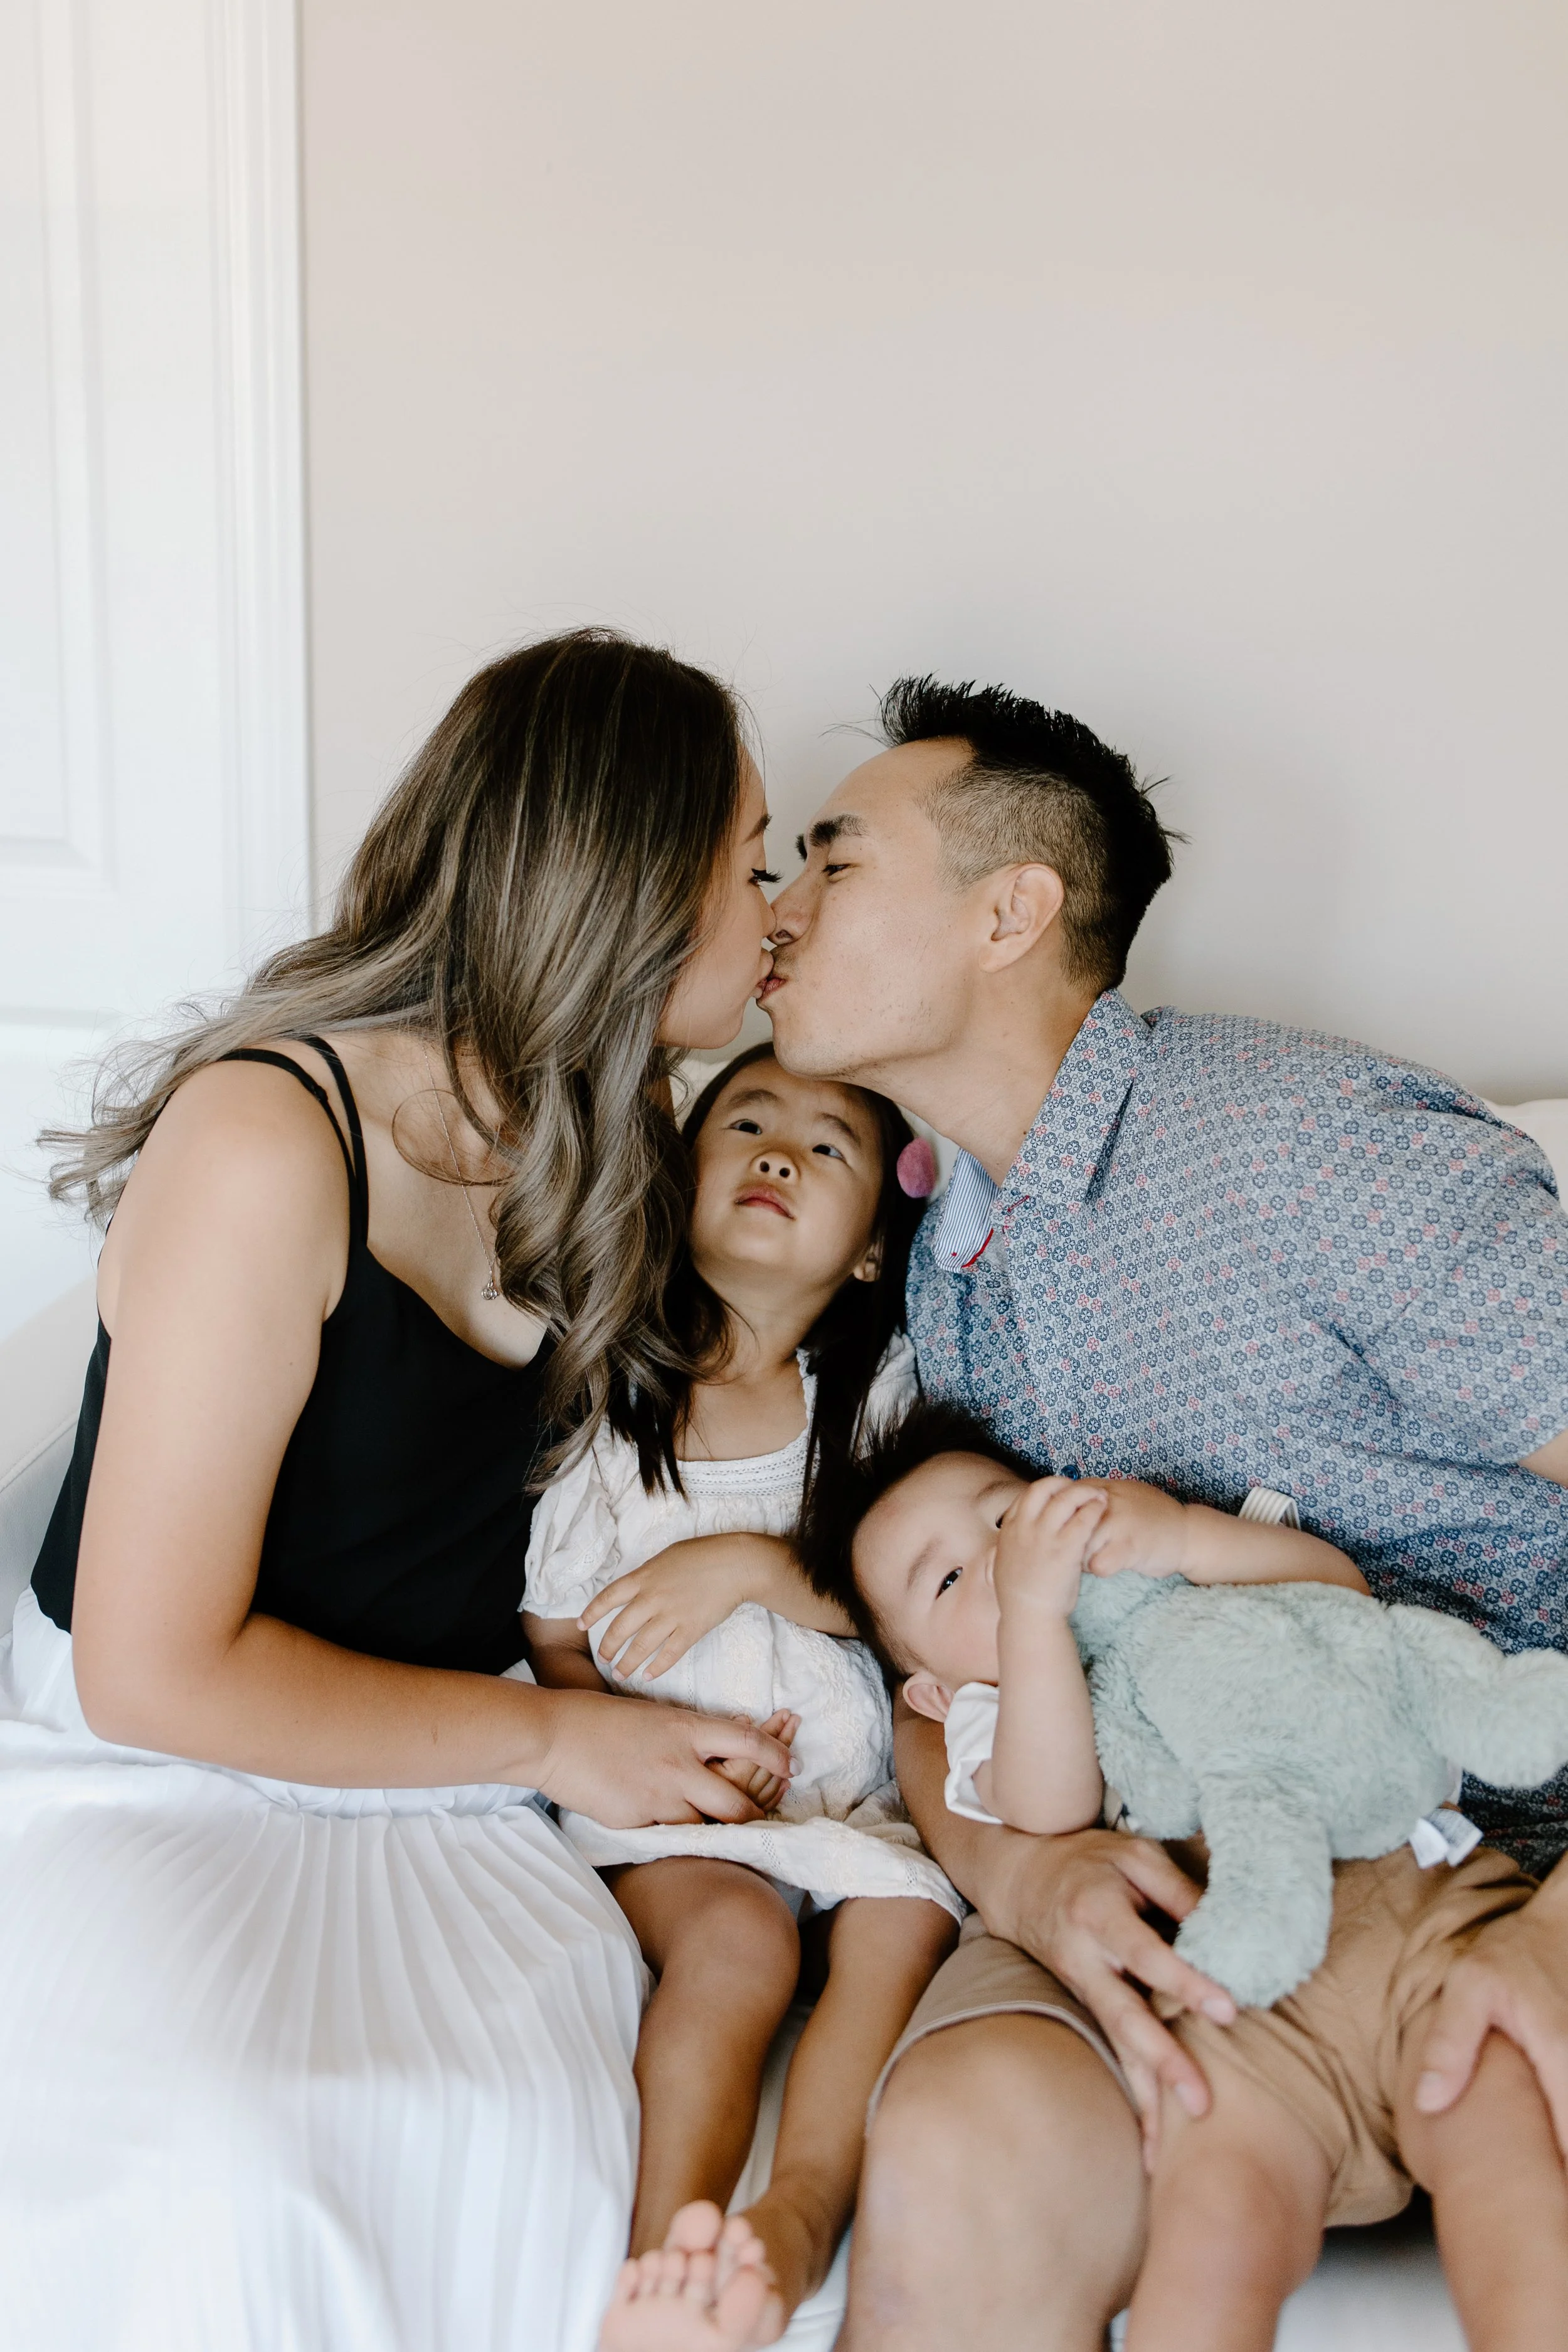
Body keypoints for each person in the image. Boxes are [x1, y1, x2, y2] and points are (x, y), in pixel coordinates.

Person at [0, 630, 802, 2352]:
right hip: (163, 1766)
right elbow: (155, 1670)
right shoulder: (272, 1141)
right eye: (749, 868)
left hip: (442, 1771)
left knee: (515, 2140)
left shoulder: (612, 1129)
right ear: (629, 888)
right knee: (237, 2159)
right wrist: (555, 1740)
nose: (777, 910)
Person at [761, 674, 1568, 2349]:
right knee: (963, 2133)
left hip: (1500, 1846)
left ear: (1007, 910)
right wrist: (1022, 1876)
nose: (778, 907)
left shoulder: (1301, 1149)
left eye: (829, 863)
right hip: (1174, 1870)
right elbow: (942, 1677)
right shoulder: (942, 1267)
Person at [807, 1398, 1567, 2351]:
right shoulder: (984, 1715)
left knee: (1506, 2146)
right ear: (930, 1688)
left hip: (1421, 1911)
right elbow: (1050, 1804)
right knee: (1213, 2235)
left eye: (1008, 1514)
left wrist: (1183, 1534)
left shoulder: (1177, 1579)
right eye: (953, 1577)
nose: (1002, 1554)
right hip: (1234, 2005)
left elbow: (1337, 1590)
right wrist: (1034, 1622)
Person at [523, 1046, 958, 2350]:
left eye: (828, 1147)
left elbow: (900, 1605)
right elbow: (553, 1636)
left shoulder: (877, 1407)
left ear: (874, 1249)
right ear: (681, 1179)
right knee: (740, 1947)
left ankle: (799, 2219)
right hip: (674, 1811)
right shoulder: (612, 1409)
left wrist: (751, 1567)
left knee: (899, 1920)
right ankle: (668, 2263)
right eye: (748, 1124)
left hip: (852, 1795)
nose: (777, 1153)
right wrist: (652, 1748)